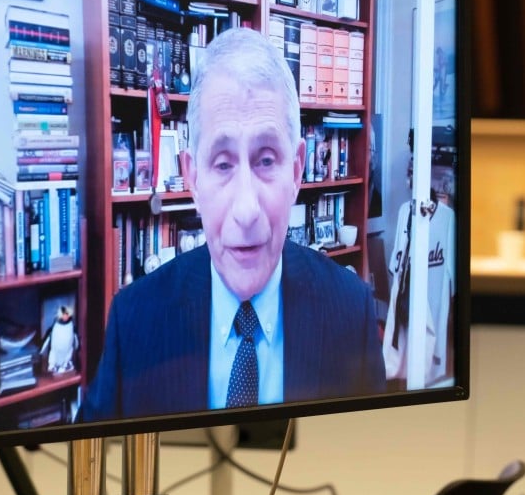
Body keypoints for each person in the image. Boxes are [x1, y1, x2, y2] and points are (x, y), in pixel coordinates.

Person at [80, 28, 385, 421]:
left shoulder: (351, 312)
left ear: (296, 171)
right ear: (192, 178)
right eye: (222, 164)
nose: (246, 210)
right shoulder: (134, 320)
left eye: (266, 160)